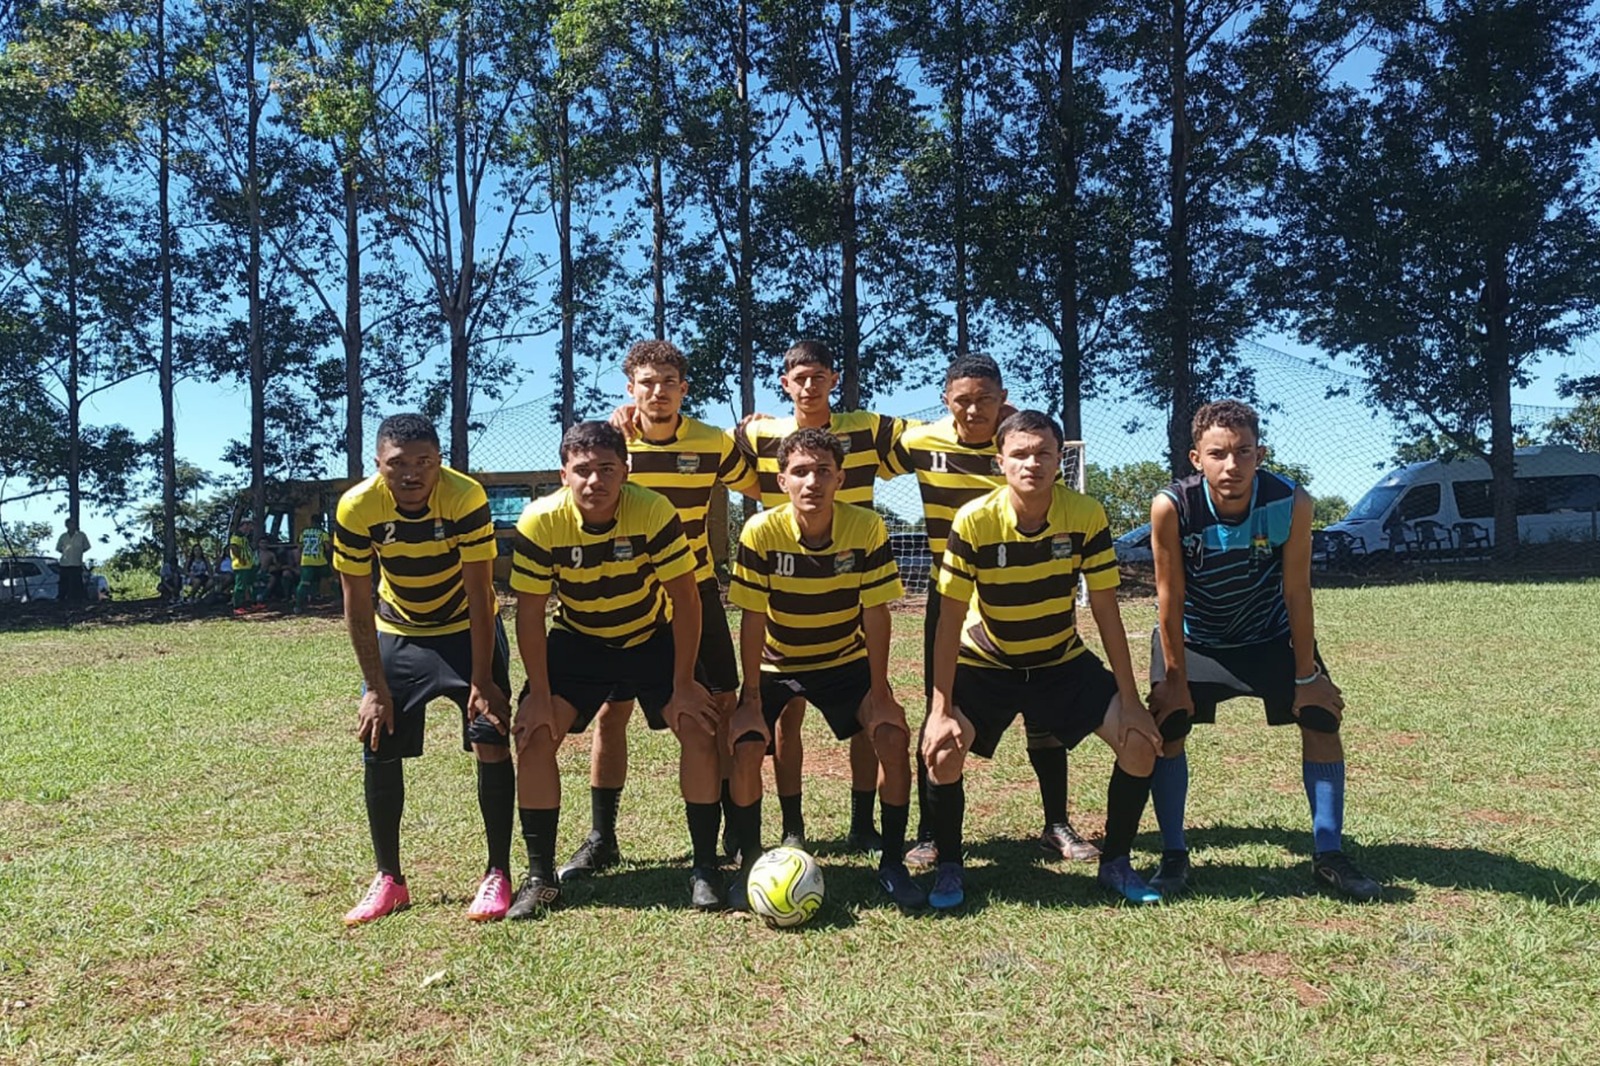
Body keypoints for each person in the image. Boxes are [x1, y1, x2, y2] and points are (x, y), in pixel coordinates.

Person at [923, 410, 1164, 909]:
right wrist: (940, 709)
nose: (1031, 463)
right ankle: (949, 866)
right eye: (1020, 454)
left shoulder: (1085, 514)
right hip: (988, 663)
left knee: (1140, 743)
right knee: (943, 752)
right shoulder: (974, 520)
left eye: (1042, 453)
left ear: (1059, 461)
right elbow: (948, 622)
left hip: (1059, 662)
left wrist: (1131, 699)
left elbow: (1105, 610)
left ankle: (1116, 864)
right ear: (1000, 462)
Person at [1146, 400, 1381, 901]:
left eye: (1244, 452)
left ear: (1260, 454)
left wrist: (1307, 676)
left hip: (1268, 634)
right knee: (1169, 725)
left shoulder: (1291, 502)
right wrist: (1175, 679)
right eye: (1218, 454)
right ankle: (1173, 855)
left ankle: (1329, 853)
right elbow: (1170, 597)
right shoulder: (1172, 507)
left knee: (1321, 717)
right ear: (1196, 458)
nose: (1231, 465)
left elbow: (1296, 591)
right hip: (1197, 639)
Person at [559, 341, 762, 881]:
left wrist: (762, 431)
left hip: (695, 589)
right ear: (631, 389)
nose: (658, 391)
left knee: (718, 707)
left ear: (683, 389)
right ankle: (602, 837)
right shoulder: (615, 444)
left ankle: (731, 830)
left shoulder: (713, 442)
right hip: (628, 595)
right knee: (613, 712)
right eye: (647, 383)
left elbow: (764, 480)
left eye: (669, 381)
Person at [887, 355, 1096, 868]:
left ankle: (1056, 823)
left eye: (985, 398)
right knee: (939, 710)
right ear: (945, 400)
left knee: (1044, 704)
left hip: (1025, 584)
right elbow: (848, 441)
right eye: (962, 400)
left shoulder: (1022, 443)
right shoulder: (920, 441)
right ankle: (931, 832)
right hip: (952, 594)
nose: (973, 409)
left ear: (1003, 398)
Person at [508, 421, 723, 914]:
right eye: (583, 470)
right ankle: (541, 877)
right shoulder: (540, 520)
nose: (595, 481)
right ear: (564, 475)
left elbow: (686, 599)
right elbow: (530, 613)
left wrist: (685, 683)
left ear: (625, 471)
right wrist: (538, 693)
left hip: (650, 636)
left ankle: (705, 866)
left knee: (697, 726)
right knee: (535, 735)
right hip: (579, 641)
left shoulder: (652, 509)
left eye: (607, 469)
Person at [725, 428, 924, 908]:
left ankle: (892, 863)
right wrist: (750, 699)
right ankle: (751, 862)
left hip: (843, 660)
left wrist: (880, 692)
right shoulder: (760, 531)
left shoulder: (866, 527)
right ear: (782, 481)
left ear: (840, 479)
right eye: (800, 472)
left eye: (822, 471)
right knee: (747, 745)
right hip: (777, 662)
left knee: (892, 735)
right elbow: (752, 617)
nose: (812, 481)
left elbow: (876, 612)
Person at [331, 413, 516, 926]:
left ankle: (497, 872)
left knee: (490, 734)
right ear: (378, 464)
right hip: (399, 630)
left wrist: (483, 679)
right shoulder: (357, 506)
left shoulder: (465, 496)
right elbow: (356, 601)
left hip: (465, 626)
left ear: (439, 461)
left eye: (424, 462)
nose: (412, 474)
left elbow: (480, 591)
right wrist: (374, 688)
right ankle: (389, 879)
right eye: (398, 464)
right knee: (378, 737)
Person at [735, 340, 905, 852]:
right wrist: (630, 420)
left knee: (869, 728)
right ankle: (789, 830)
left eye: (819, 376)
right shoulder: (761, 437)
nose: (809, 386)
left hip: (844, 640)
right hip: (780, 645)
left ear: (834, 379)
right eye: (800, 377)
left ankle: (865, 828)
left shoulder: (866, 430)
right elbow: (713, 442)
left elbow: (934, 431)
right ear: (785, 383)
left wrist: (1000, 415)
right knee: (782, 725)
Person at [295, 516, 332, 614]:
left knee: (304, 582)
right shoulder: (322, 533)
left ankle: (298, 605)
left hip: (306, 561)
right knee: (331, 579)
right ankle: (339, 600)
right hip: (320, 560)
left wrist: (299, 560)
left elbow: (299, 547)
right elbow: (327, 547)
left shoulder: (304, 532)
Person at [228, 518, 259, 615]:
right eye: (249, 525)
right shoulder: (236, 537)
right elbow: (233, 548)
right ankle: (237, 606)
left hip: (248, 565)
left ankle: (252, 603)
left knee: (250, 585)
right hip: (241, 566)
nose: (250, 528)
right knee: (240, 586)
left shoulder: (244, 537)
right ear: (244, 525)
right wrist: (240, 559)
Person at [56, 520, 90, 603]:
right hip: (65, 563)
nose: (72, 526)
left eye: (73, 524)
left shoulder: (81, 535)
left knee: (77, 582)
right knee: (64, 582)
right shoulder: (63, 536)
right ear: (66, 525)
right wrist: (66, 553)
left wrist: (78, 552)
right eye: (70, 524)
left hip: (76, 563)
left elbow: (86, 547)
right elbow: (59, 548)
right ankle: (61, 598)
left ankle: (79, 598)